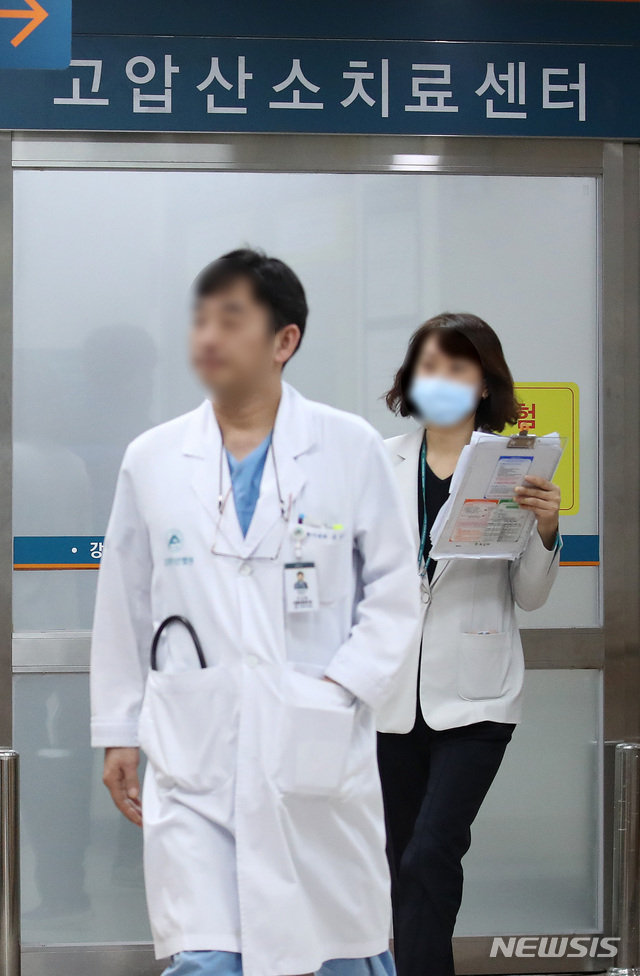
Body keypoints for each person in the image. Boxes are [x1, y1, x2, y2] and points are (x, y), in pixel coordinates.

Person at [90, 248, 420, 976]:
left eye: (231, 320)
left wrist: (340, 687)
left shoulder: (347, 446)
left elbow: (396, 589)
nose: (209, 337)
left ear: (284, 340)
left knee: (337, 951)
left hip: (314, 744)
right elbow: (125, 600)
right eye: (201, 319)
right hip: (194, 748)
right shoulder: (153, 457)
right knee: (206, 956)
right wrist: (117, 728)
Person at [376, 313, 562, 976]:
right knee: (403, 859)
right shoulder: (378, 462)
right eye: (430, 366)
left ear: (484, 384)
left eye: (458, 368)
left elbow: (530, 595)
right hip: (392, 694)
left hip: (477, 696)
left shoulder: (515, 466)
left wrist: (546, 529)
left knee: (433, 848)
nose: (442, 380)